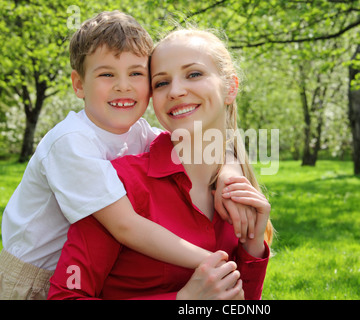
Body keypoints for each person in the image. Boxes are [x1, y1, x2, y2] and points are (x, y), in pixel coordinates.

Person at [0, 11, 251, 300]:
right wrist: (213, 262)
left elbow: (204, 147)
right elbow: (126, 226)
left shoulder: (139, 131)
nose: (124, 85)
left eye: (136, 73)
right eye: (107, 74)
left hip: (78, 268)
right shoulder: (71, 143)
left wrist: (230, 172)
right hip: (30, 278)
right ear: (79, 84)